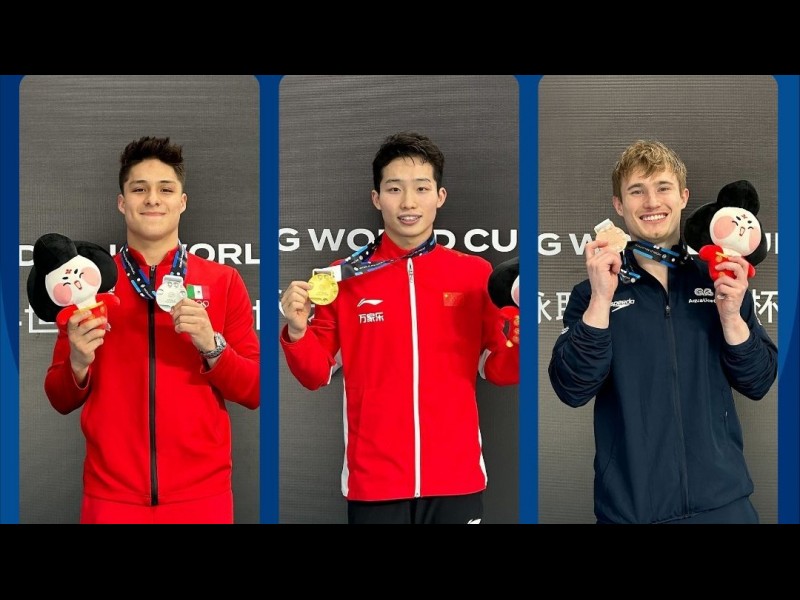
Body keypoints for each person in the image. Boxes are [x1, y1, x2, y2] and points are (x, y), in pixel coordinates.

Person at [279, 131, 520, 524]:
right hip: (374, 484)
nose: (408, 202)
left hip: (455, 480)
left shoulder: (475, 274)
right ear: (377, 198)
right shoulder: (341, 278)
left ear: (440, 196)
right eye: (394, 189)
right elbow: (314, 373)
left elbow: (499, 369)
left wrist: (518, 345)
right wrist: (296, 331)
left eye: (421, 188)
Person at [548, 139, 777, 524]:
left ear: (683, 196)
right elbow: (572, 388)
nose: (652, 202)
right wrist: (602, 300)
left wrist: (732, 318)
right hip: (634, 510)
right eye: (637, 191)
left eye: (663, 187)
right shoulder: (592, 293)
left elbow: (759, 382)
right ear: (619, 205)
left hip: (724, 504)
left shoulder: (720, 281)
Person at [43, 136, 260, 524]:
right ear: (122, 202)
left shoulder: (223, 280)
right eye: (139, 189)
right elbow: (59, 397)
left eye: (166, 189)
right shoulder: (88, 285)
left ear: (183, 202)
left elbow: (255, 389)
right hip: (111, 498)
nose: (152, 199)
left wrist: (212, 346)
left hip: (202, 497)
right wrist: (77, 363)